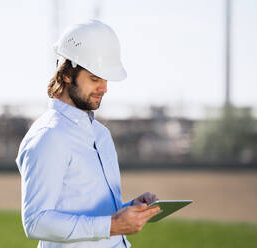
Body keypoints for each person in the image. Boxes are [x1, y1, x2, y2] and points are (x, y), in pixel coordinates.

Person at [16, 20, 160, 248]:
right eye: (95, 79)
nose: (104, 88)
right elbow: (35, 222)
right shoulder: (48, 136)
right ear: (66, 74)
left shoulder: (101, 134)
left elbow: (93, 211)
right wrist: (112, 226)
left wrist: (129, 209)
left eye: (105, 79)